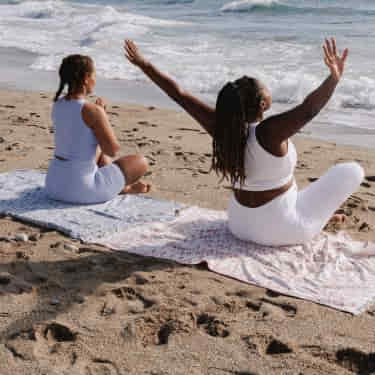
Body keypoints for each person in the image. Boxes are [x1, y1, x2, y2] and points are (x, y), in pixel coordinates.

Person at [124, 38, 364, 246]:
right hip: (280, 228)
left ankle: (317, 216)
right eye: (265, 89)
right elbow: (308, 110)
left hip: (238, 224)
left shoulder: (222, 129)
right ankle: (315, 218)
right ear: (262, 104)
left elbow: (179, 95)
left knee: (295, 191)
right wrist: (333, 79)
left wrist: (144, 64)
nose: (269, 91)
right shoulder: (268, 132)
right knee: (352, 170)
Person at [45, 54, 150, 204]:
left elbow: (81, 145)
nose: (95, 80)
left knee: (102, 157)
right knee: (141, 162)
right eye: (95, 76)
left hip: (54, 186)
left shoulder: (58, 104)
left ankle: (119, 187)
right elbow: (112, 150)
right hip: (81, 190)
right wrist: (102, 116)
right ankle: (121, 188)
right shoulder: (91, 109)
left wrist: (97, 120)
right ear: (87, 78)